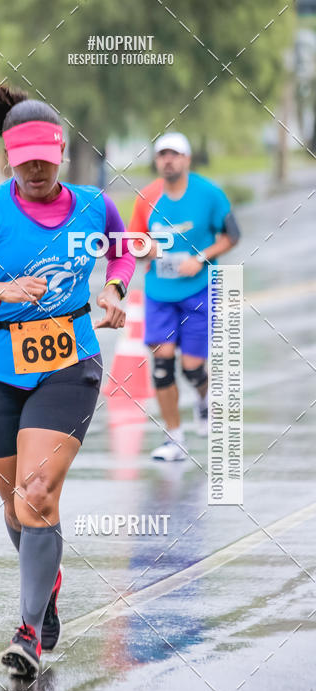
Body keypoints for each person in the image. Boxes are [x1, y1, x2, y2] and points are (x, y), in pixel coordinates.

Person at [0, 66, 135, 677]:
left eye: (46, 159)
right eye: (25, 162)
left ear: (62, 154)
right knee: (18, 508)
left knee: (37, 493)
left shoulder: (96, 206)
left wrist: (116, 287)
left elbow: (123, 247)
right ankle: (46, 587)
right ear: (9, 160)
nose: (37, 171)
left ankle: (30, 632)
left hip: (68, 361)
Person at [129, 132, 241, 461]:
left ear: (187, 159)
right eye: (162, 154)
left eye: (175, 154)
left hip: (198, 290)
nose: (168, 160)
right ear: (157, 160)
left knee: (193, 367)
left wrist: (201, 258)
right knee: (162, 365)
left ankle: (204, 401)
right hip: (159, 294)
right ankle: (175, 439)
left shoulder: (208, 194)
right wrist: (144, 249)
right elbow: (134, 245)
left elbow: (232, 235)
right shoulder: (145, 197)